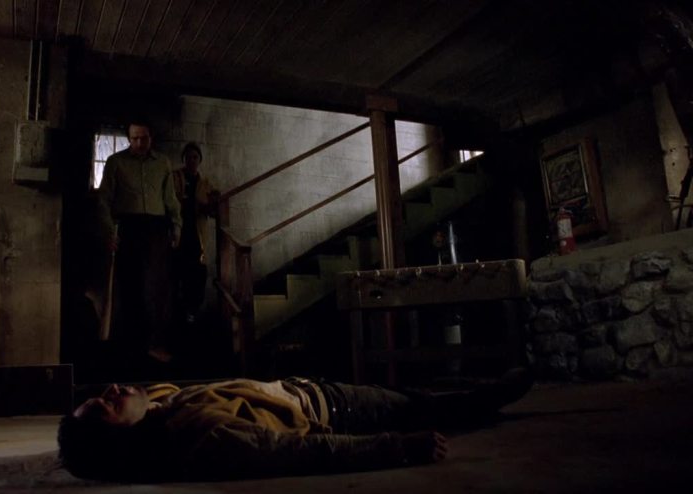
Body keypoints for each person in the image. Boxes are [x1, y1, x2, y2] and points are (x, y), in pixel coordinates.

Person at [57, 369, 532, 482]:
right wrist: (397, 448)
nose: (113, 389)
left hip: (310, 389)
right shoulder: (197, 436)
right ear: (121, 439)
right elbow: (290, 452)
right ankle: (495, 396)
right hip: (333, 411)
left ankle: (484, 395)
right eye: (106, 406)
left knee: (417, 396)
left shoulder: (161, 406)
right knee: (424, 408)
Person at [97, 119, 182, 363]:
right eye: (134, 138)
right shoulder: (116, 162)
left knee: (156, 288)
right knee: (129, 286)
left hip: (156, 228)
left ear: (150, 138)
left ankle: (154, 344)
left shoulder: (162, 163)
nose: (139, 143)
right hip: (128, 227)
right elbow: (103, 200)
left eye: (143, 138)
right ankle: (130, 346)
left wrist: (176, 226)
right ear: (129, 138)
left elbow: (171, 199)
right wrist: (109, 231)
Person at [172, 142, 220, 324]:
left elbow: (213, 210)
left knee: (198, 274)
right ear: (183, 159)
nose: (191, 160)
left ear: (200, 160)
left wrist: (211, 205)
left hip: (197, 235)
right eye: (188, 157)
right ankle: (178, 314)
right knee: (178, 274)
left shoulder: (205, 183)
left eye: (195, 157)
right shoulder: (175, 178)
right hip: (178, 234)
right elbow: (171, 201)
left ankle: (192, 312)